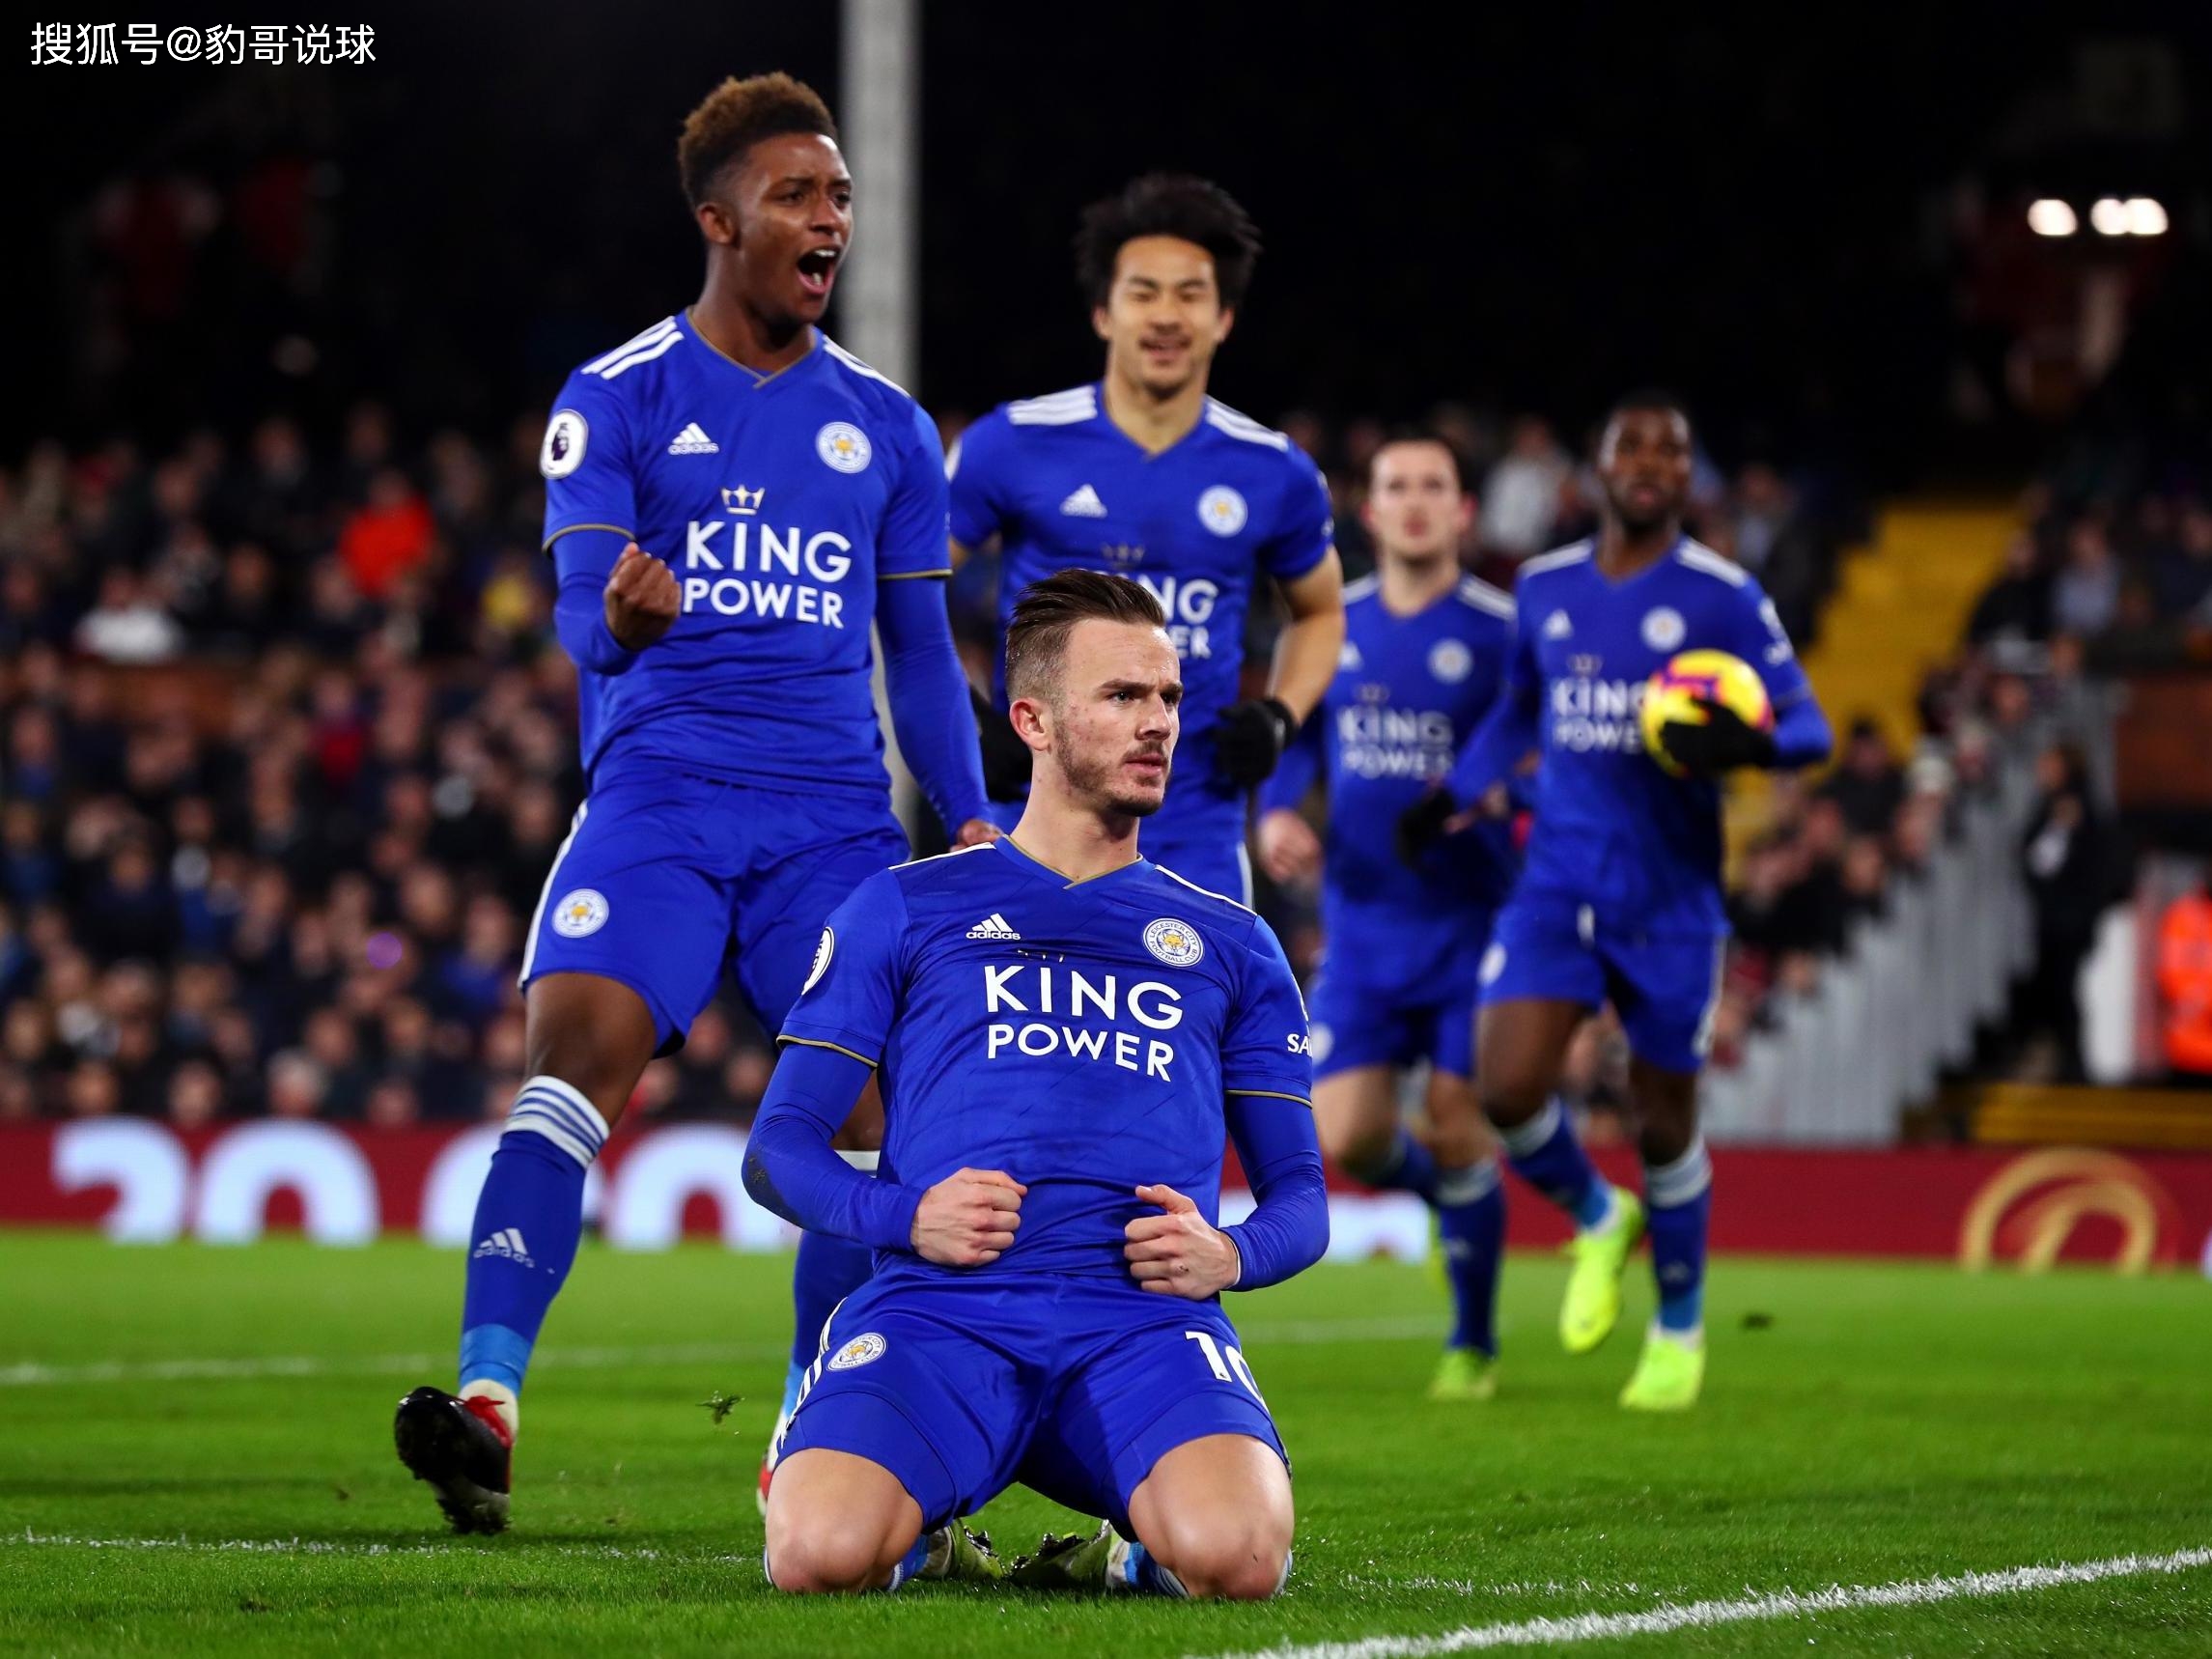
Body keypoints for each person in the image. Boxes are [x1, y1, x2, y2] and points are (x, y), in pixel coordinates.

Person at [392, 72, 994, 1532]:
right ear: (719, 220)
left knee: (870, 1116)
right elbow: (579, 621)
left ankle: (805, 1428)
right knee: (572, 1054)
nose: (830, 217)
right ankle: (488, 1400)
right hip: (660, 796)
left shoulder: (888, 428)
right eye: (801, 194)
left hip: (833, 821)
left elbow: (914, 650)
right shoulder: (616, 395)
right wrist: (625, 623)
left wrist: (970, 815)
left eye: (840, 195)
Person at [743, 570, 1326, 1598]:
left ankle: (1131, 1539)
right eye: (1121, 696)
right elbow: (778, 1146)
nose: (1156, 724)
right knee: (813, 1555)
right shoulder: (904, 908)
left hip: (1142, 1324)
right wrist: (904, 1214)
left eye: (1168, 698)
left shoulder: (1233, 941)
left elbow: (1302, 1201)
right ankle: (906, 1512)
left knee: (1239, 1560)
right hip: (940, 1313)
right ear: (1034, 721)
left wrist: (1228, 1252)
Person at [1401, 391, 1832, 1411]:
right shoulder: (1544, 589)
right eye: (1627, 446)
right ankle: (1601, 1214)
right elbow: (1515, 706)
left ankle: (1677, 1328)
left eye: (1668, 451)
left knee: (1662, 1113)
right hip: (1555, 882)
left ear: (1689, 476)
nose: (1646, 463)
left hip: (1670, 898)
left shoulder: (1722, 593)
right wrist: (1452, 797)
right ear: (1593, 468)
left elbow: (1806, 724)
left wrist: (1749, 745)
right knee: (1502, 1087)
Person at [947, 173, 1345, 905]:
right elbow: (910, 589)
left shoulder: (1274, 471)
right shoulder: (1010, 444)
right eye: (1143, 292)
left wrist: (1279, 716)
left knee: (1199, 1021)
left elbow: (1320, 611)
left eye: (1190, 293)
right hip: (1030, 826)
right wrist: (963, 714)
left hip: (1196, 834)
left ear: (1223, 316)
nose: (1166, 314)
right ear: (1103, 312)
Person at [1254, 435, 1516, 1400]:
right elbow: (1296, 744)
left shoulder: (1499, 631)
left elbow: (1528, 742)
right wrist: (1277, 810)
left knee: (1454, 1122)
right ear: (1367, 512)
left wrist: (1493, 791)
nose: (1412, 502)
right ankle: (1453, 1199)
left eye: (1432, 487)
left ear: (1461, 513)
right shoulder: (1328, 626)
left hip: (1470, 925)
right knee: (1351, 1137)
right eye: (1394, 486)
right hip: (1360, 928)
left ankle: (1472, 1342)